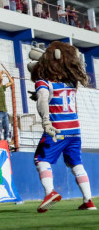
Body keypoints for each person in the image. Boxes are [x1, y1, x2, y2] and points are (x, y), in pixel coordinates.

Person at [30, 42, 95, 212]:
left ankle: (49, 192)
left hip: (57, 129)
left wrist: (46, 121)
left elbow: (43, 100)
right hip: (75, 130)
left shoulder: (43, 82)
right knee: (76, 163)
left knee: (41, 159)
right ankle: (88, 200)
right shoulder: (72, 83)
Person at [0, 69, 14, 142]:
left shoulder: (2, 87)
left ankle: (6, 142)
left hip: (4, 111)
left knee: (7, 128)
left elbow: (11, 82)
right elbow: (1, 79)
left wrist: (6, 73)